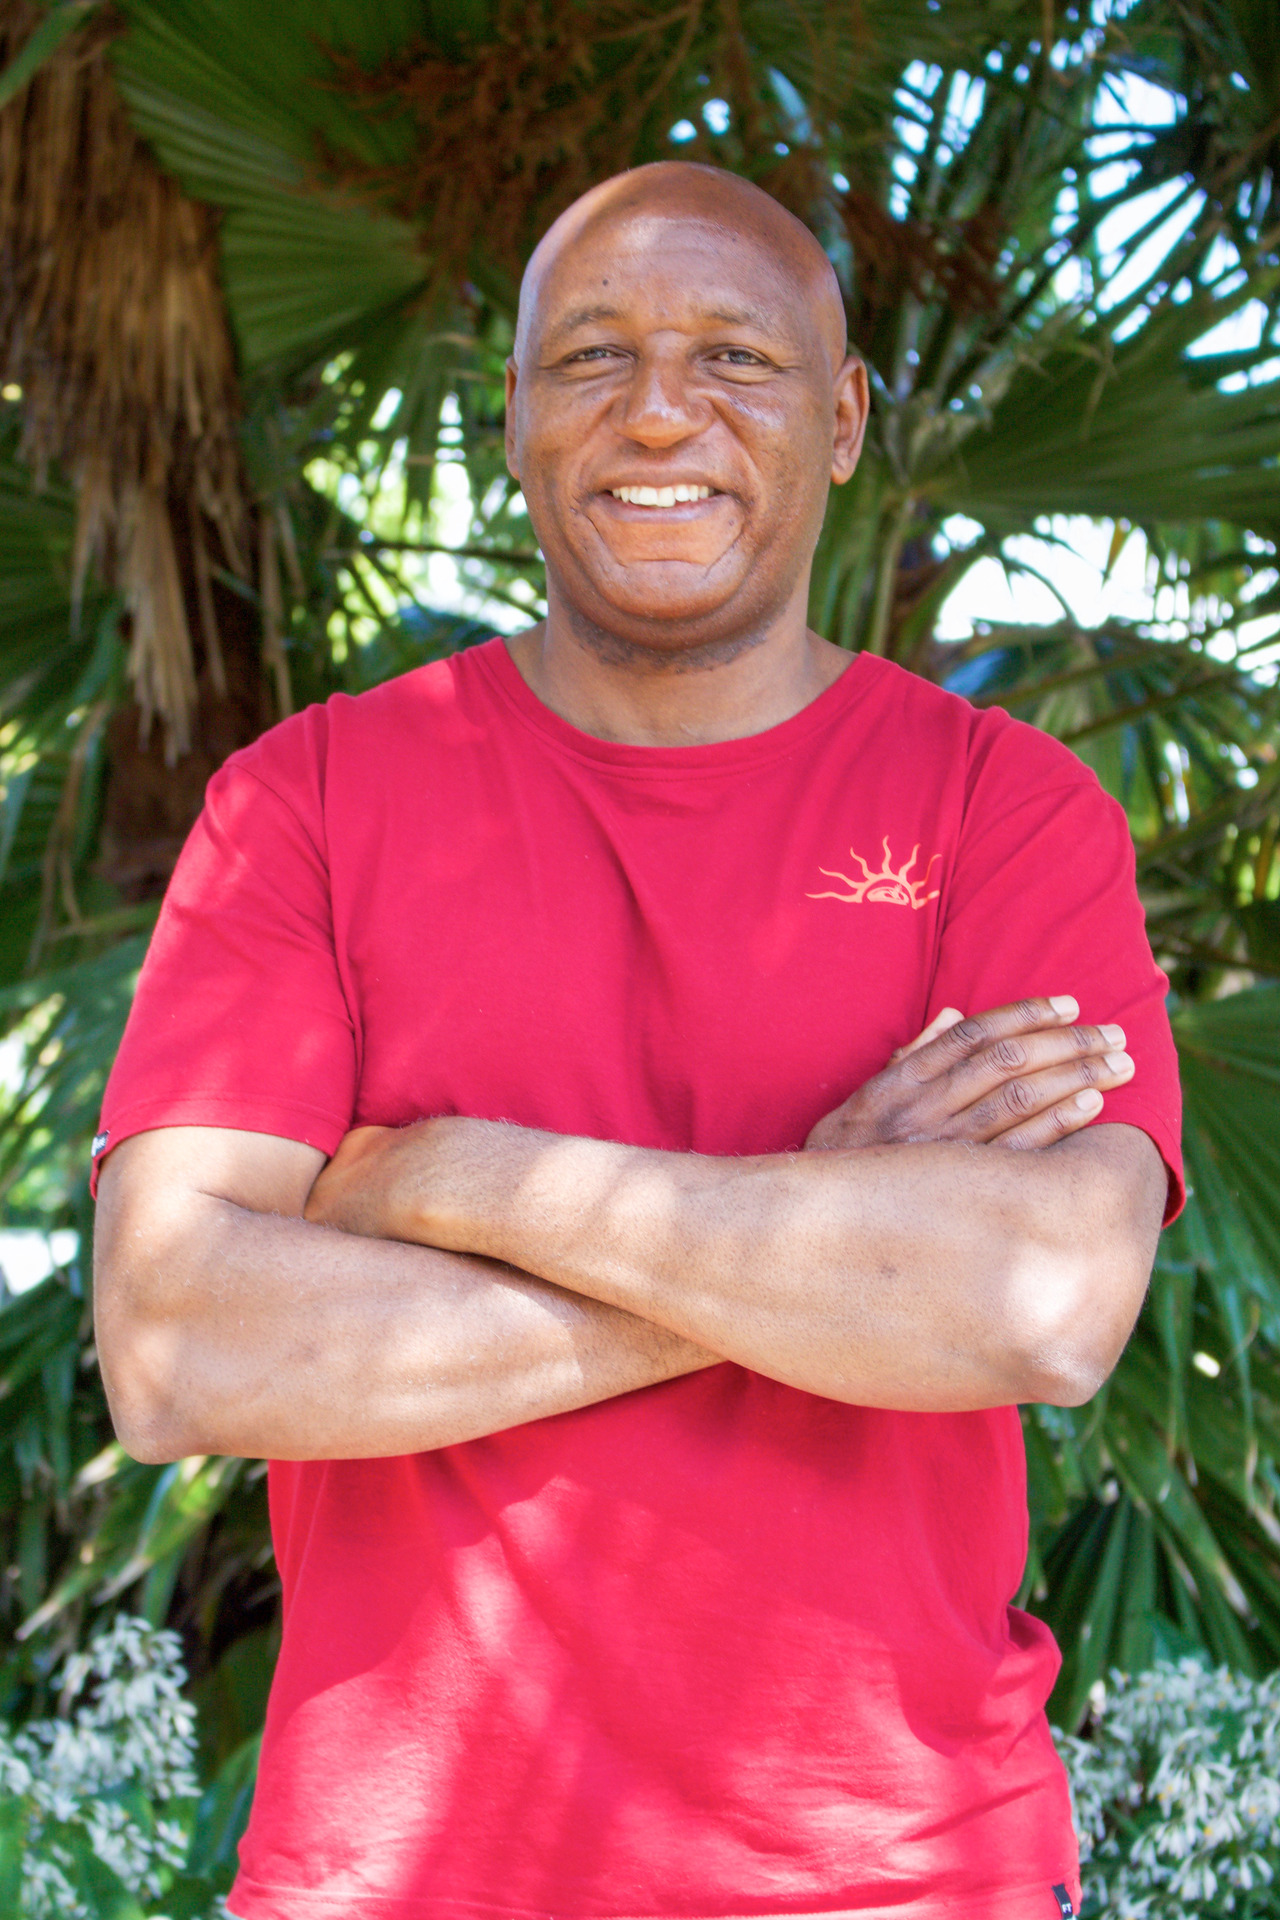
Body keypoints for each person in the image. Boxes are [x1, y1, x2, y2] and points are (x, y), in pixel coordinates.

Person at [93, 162, 1181, 1920]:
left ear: (843, 422)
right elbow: (178, 1350)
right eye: (594, 356)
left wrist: (453, 1175)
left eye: (735, 357)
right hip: (401, 1882)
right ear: (514, 419)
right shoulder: (307, 803)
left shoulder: (1006, 810)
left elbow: (1040, 1305)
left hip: (900, 1876)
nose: (660, 411)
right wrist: (827, 1218)